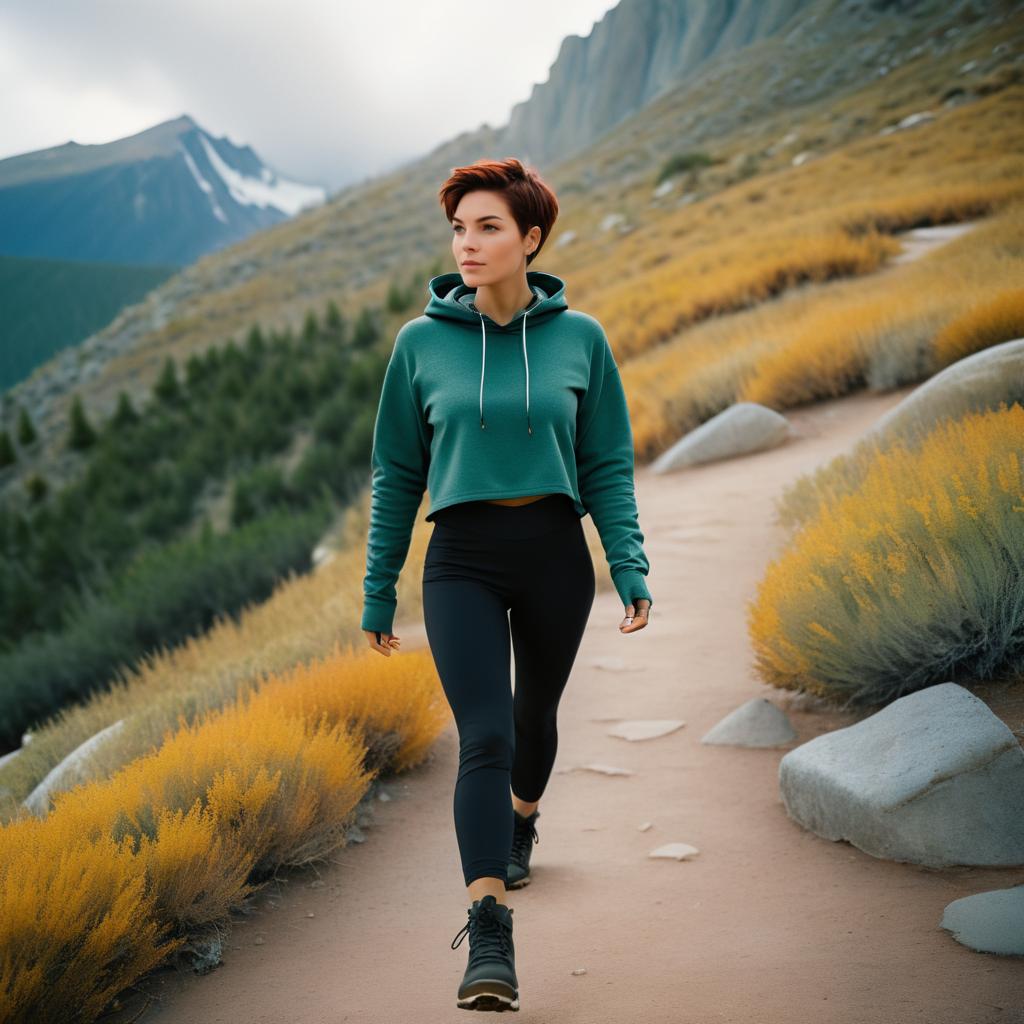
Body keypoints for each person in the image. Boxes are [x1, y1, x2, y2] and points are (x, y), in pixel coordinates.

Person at [360, 156, 653, 1012]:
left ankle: (522, 819)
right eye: (459, 228)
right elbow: (394, 474)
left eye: (488, 227)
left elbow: (606, 462)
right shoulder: (420, 345)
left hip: (556, 551)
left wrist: (627, 562)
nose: (468, 244)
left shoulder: (580, 339)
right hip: (462, 560)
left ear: (530, 239)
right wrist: (379, 589)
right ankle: (488, 932)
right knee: (482, 733)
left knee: (533, 719)